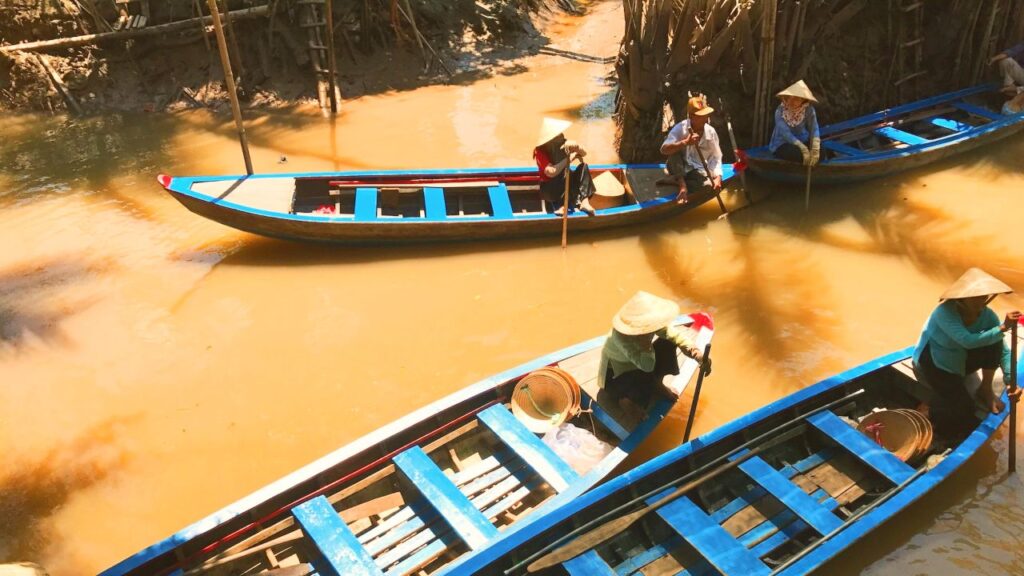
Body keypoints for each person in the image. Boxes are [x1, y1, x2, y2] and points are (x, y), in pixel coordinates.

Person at [912, 268, 1022, 442]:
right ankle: (931, 414)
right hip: (936, 364)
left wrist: (1011, 380)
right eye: (975, 297)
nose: (981, 301)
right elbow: (966, 340)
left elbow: (1003, 350)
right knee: (964, 408)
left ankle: (985, 389)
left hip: (961, 361)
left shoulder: (988, 316)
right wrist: (1002, 328)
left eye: (983, 297)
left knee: (995, 343)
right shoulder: (944, 312)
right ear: (962, 298)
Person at [597, 291, 710, 416]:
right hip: (618, 373)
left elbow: (672, 334)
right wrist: (645, 344)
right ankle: (629, 400)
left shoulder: (649, 325)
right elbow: (646, 366)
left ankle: (657, 382)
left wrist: (695, 352)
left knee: (668, 341)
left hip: (641, 361)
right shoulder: (621, 337)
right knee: (643, 376)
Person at [659, 95, 724, 205]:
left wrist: (718, 177)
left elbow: (716, 156)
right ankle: (682, 185)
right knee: (674, 155)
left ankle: (674, 180)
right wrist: (684, 143)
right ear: (691, 116)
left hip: (698, 170)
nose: (704, 118)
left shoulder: (711, 132)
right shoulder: (681, 128)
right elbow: (664, 150)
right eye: (700, 116)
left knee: (707, 186)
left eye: (705, 115)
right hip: (679, 165)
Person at [533, 117, 595, 216]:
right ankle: (562, 206)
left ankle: (584, 201)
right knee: (565, 172)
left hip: (564, 183)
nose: (561, 136)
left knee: (583, 167)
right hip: (550, 189)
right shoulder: (540, 151)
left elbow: (583, 154)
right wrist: (568, 159)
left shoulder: (564, 144)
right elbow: (551, 172)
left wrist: (577, 148)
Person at [768, 80, 821, 166]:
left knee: (822, 151)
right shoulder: (780, 110)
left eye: (796, 99)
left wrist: (815, 148)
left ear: (803, 100)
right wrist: (802, 148)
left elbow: (814, 128)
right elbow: (784, 132)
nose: (791, 101)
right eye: (790, 98)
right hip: (783, 143)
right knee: (798, 155)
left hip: (803, 140)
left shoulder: (809, 110)